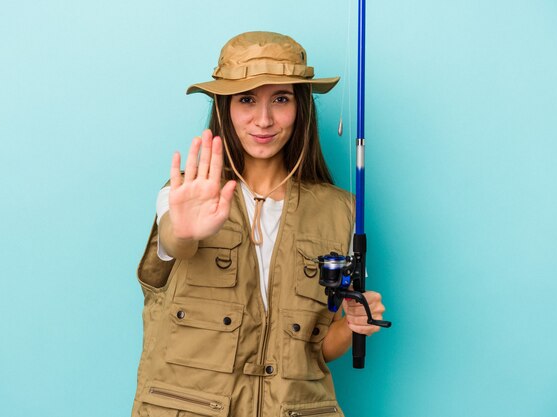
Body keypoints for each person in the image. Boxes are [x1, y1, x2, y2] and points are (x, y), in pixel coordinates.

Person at [132, 31, 386, 417]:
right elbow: (173, 243)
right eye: (246, 99)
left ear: (300, 108)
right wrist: (181, 231)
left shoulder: (342, 212)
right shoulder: (185, 194)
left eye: (280, 99)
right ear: (224, 108)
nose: (263, 119)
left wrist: (353, 324)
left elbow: (319, 350)